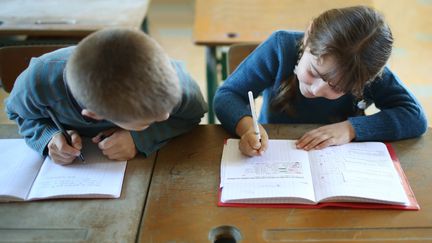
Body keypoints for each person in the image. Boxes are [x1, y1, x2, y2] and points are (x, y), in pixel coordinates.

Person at [214, 6, 427, 157]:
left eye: (337, 87)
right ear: (308, 37)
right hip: (274, 149)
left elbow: (414, 117)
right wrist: (247, 127)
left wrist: (352, 129)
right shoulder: (281, 47)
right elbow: (227, 95)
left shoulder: (363, 70)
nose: (316, 89)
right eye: (314, 71)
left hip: (337, 159)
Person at [6, 28, 207, 164]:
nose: (165, 117)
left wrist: (140, 137)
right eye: (146, 122)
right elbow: (18, 115)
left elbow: (191, 116)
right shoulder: (37, 83)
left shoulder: (175, 84)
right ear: (94, 114)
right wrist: (48, 135)